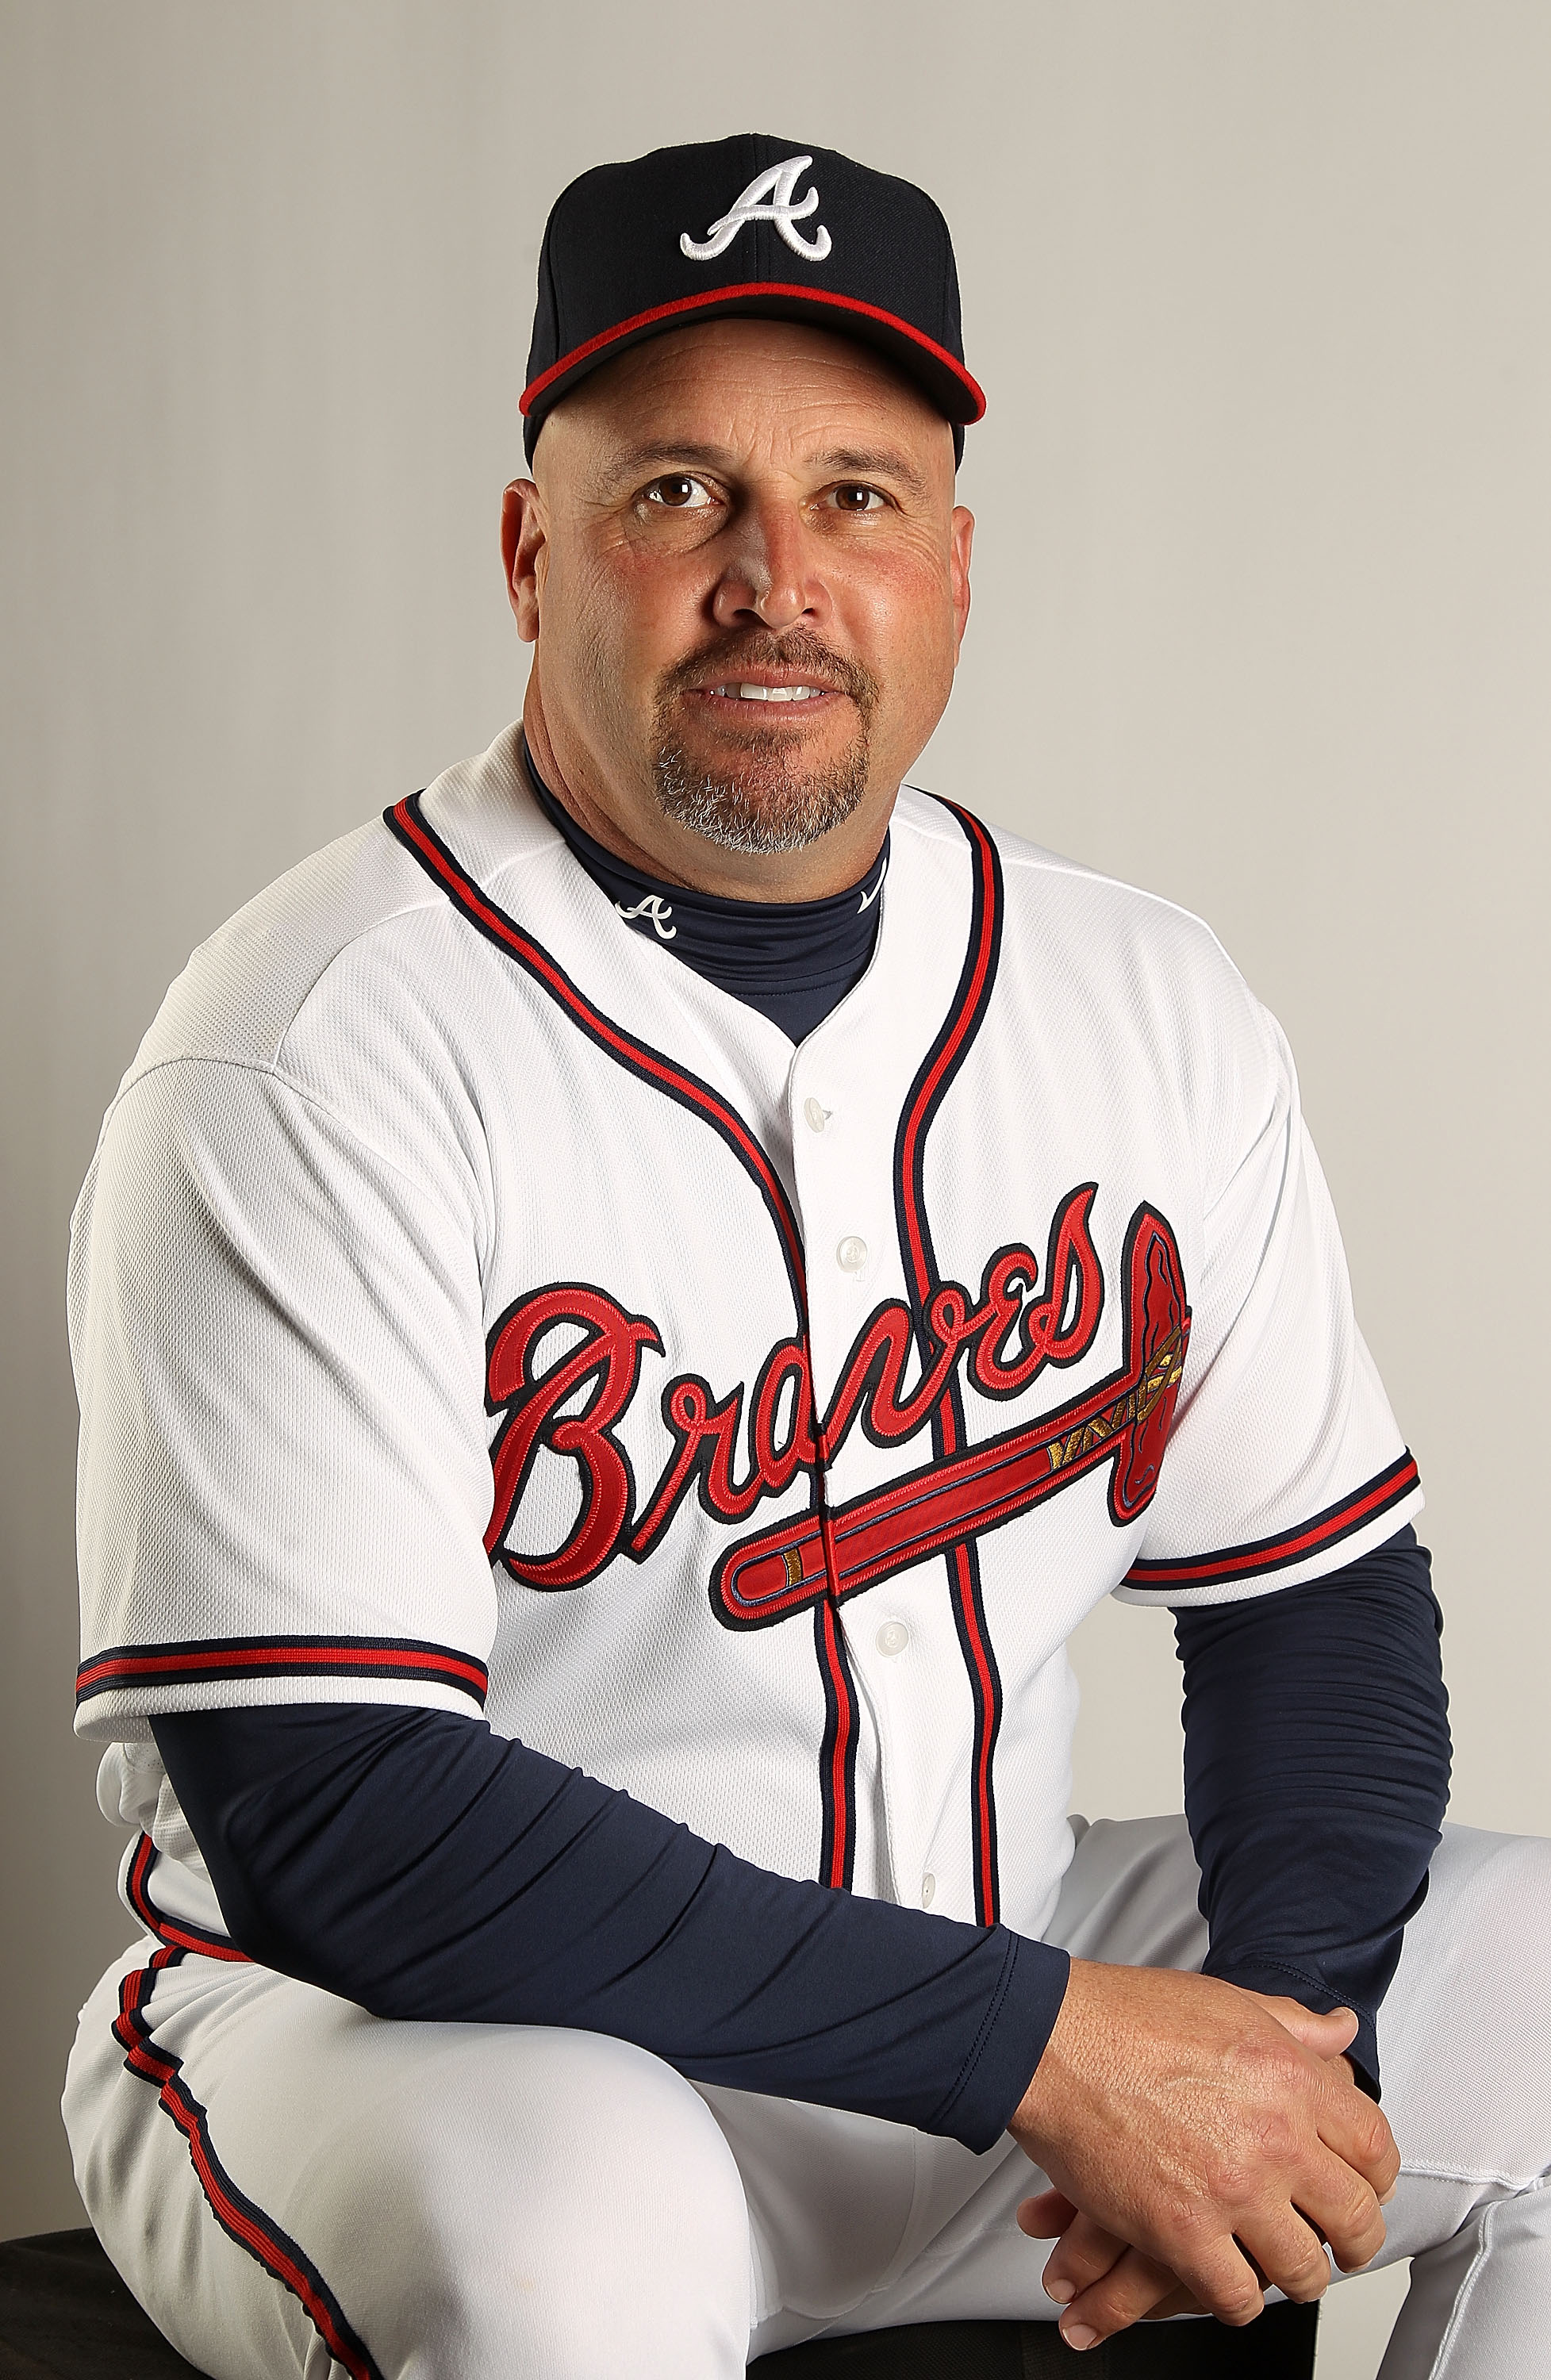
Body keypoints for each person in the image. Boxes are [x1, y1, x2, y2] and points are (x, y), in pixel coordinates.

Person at [63, 134, 1547, 2380]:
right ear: (528, 550)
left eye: (856, 495)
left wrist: (1270, 2058)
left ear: (951, 563)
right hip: (409, 2044)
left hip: (991, 1996)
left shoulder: (1137, 998)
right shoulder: (311, 1046)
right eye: (678, 493)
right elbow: (340, 1814)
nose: (776, 580)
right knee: (577, 2225)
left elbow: (1310, 1603)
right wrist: (1058, 2050)